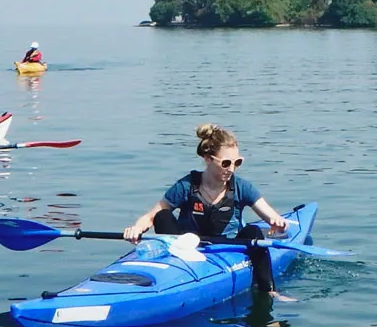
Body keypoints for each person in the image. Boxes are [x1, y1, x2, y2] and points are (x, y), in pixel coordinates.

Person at [123, 124, 292, 299]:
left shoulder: (241, 187)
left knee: (254, 232)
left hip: (226, 245)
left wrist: (278, 223)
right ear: (208, 159)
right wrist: (136, 228)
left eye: (237, 163)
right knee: (162, 216)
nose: (232, 169)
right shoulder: (187, 186)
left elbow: (271, 216)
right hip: (185, 245)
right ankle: (175, 263)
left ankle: (270, 291)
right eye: (226, 163)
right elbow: (151, 216)